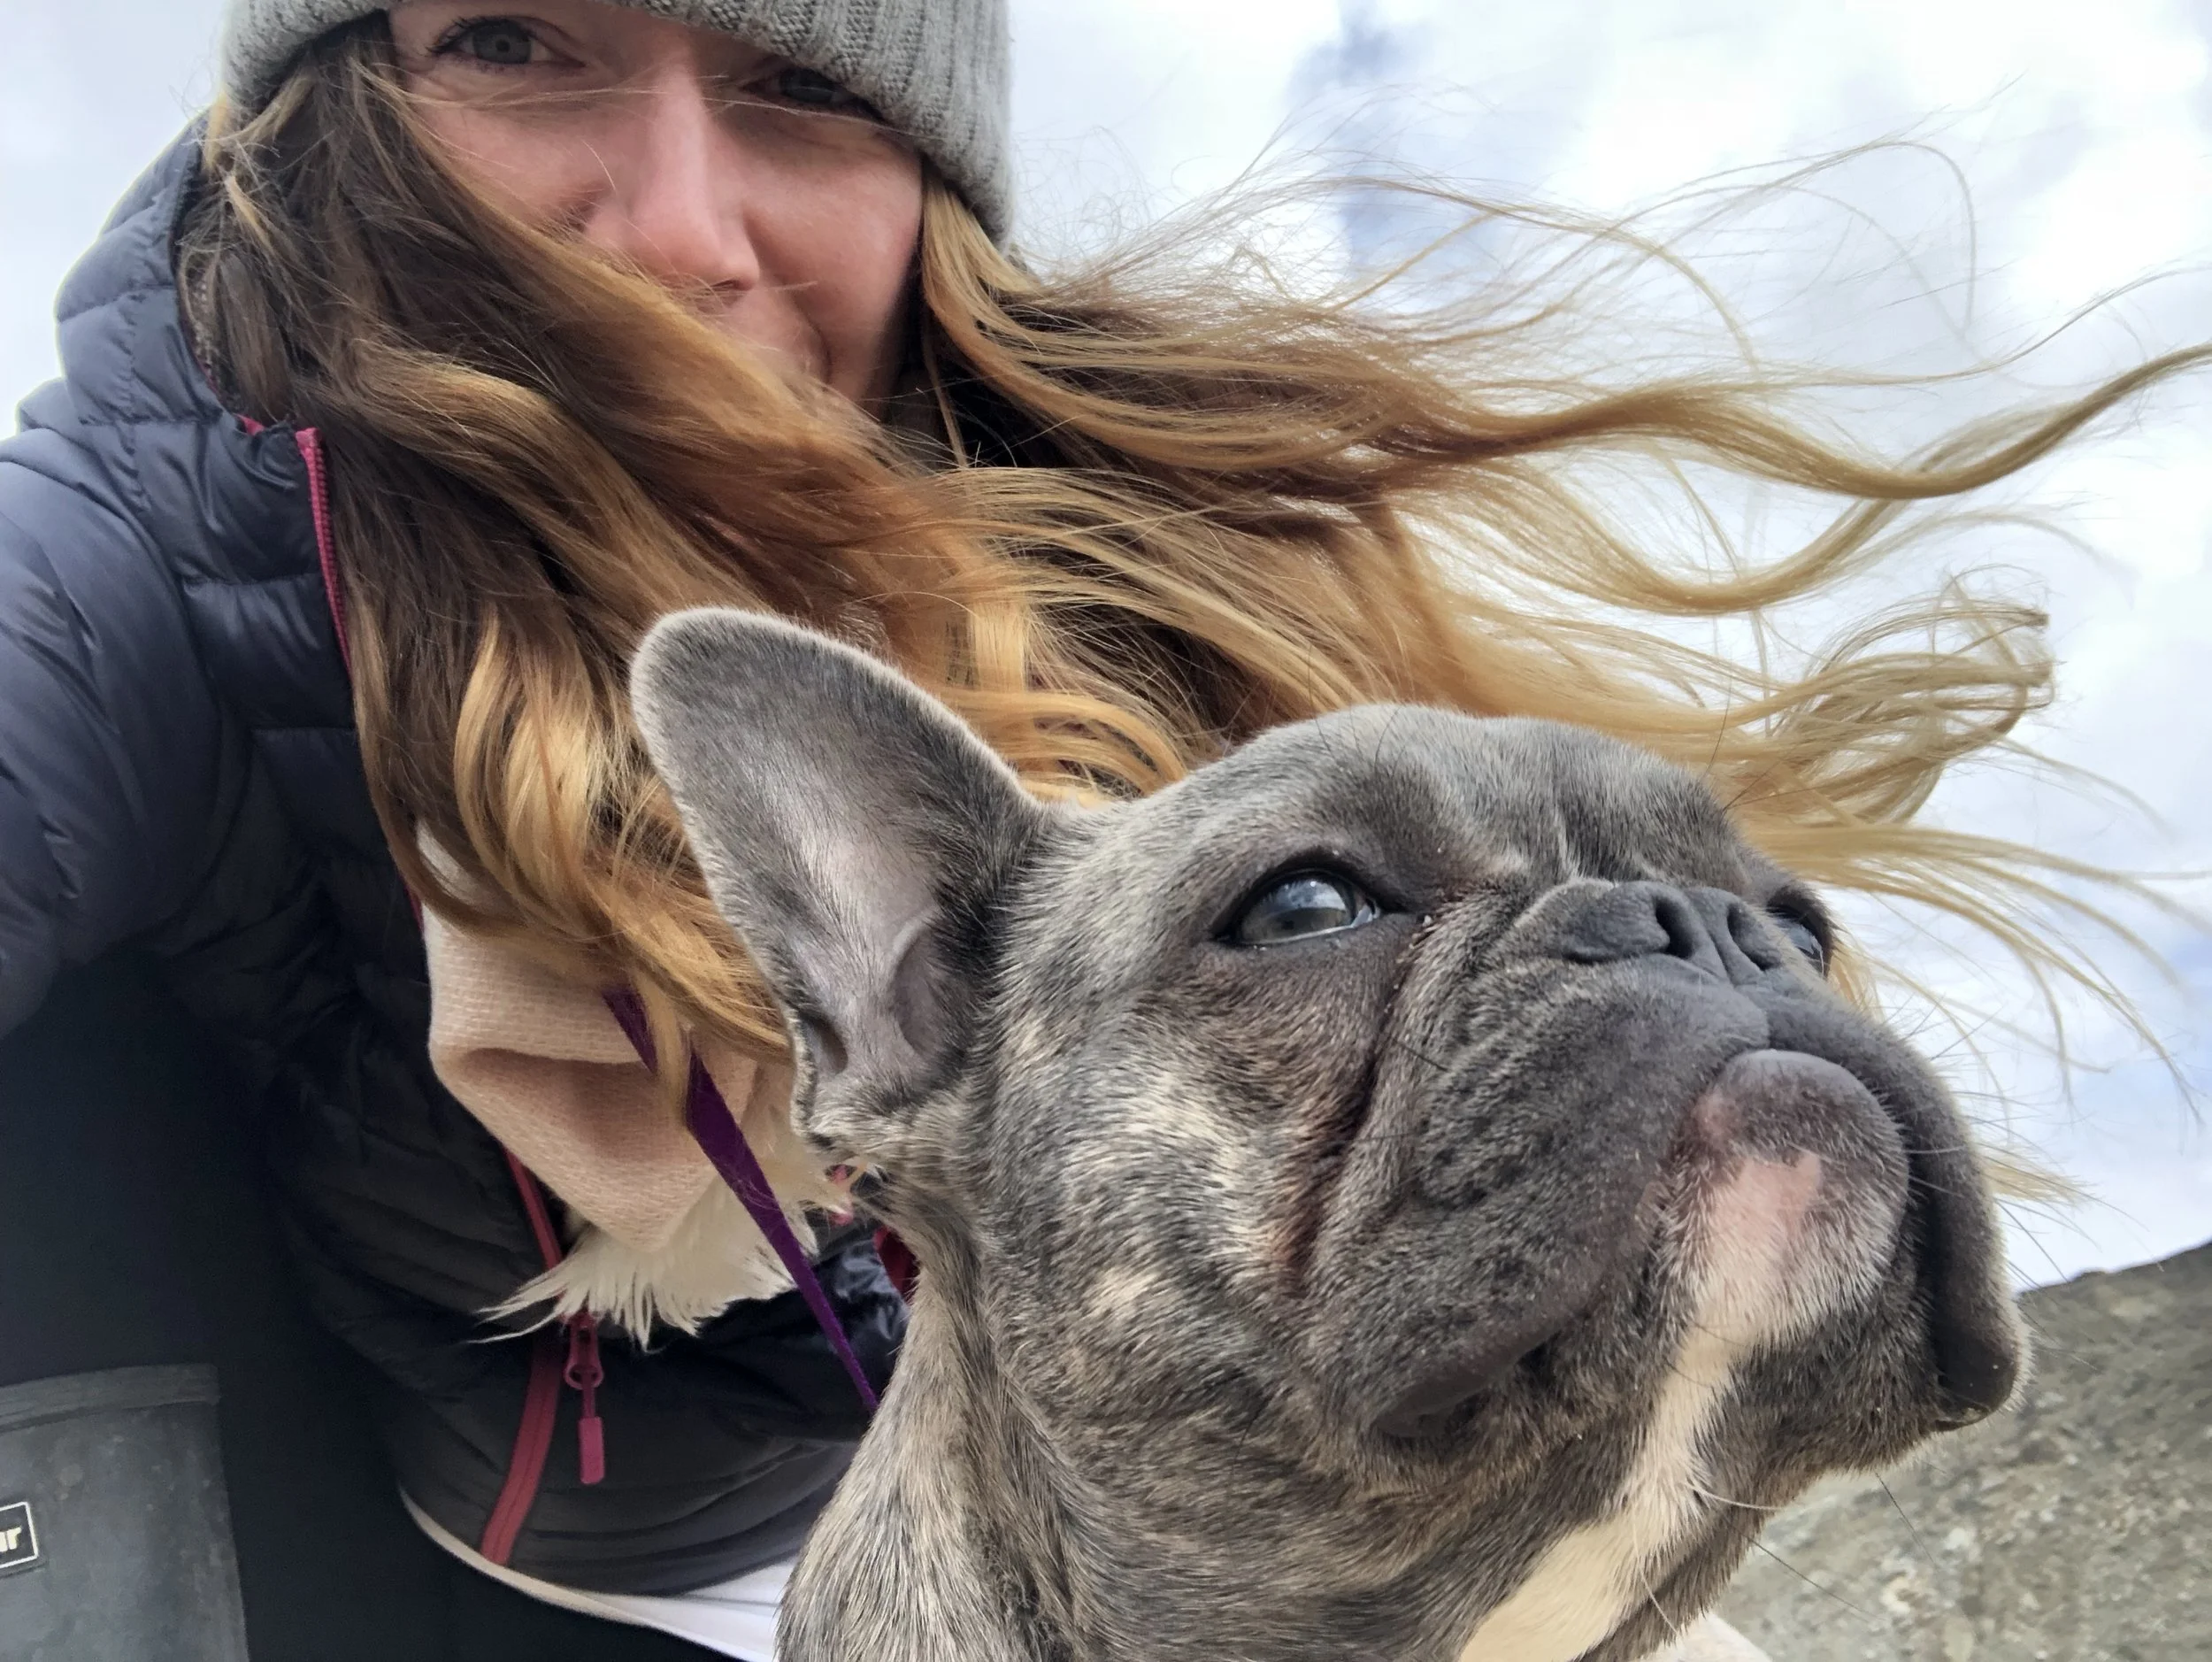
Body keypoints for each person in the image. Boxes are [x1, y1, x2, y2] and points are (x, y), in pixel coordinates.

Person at [0, 1, 2194, 1658]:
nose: (674, 225)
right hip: (449, 1528)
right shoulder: (120, 559)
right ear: (326, 113)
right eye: (513, 41)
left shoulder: (1102, 550)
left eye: (802, 84)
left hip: (1119, 1470)